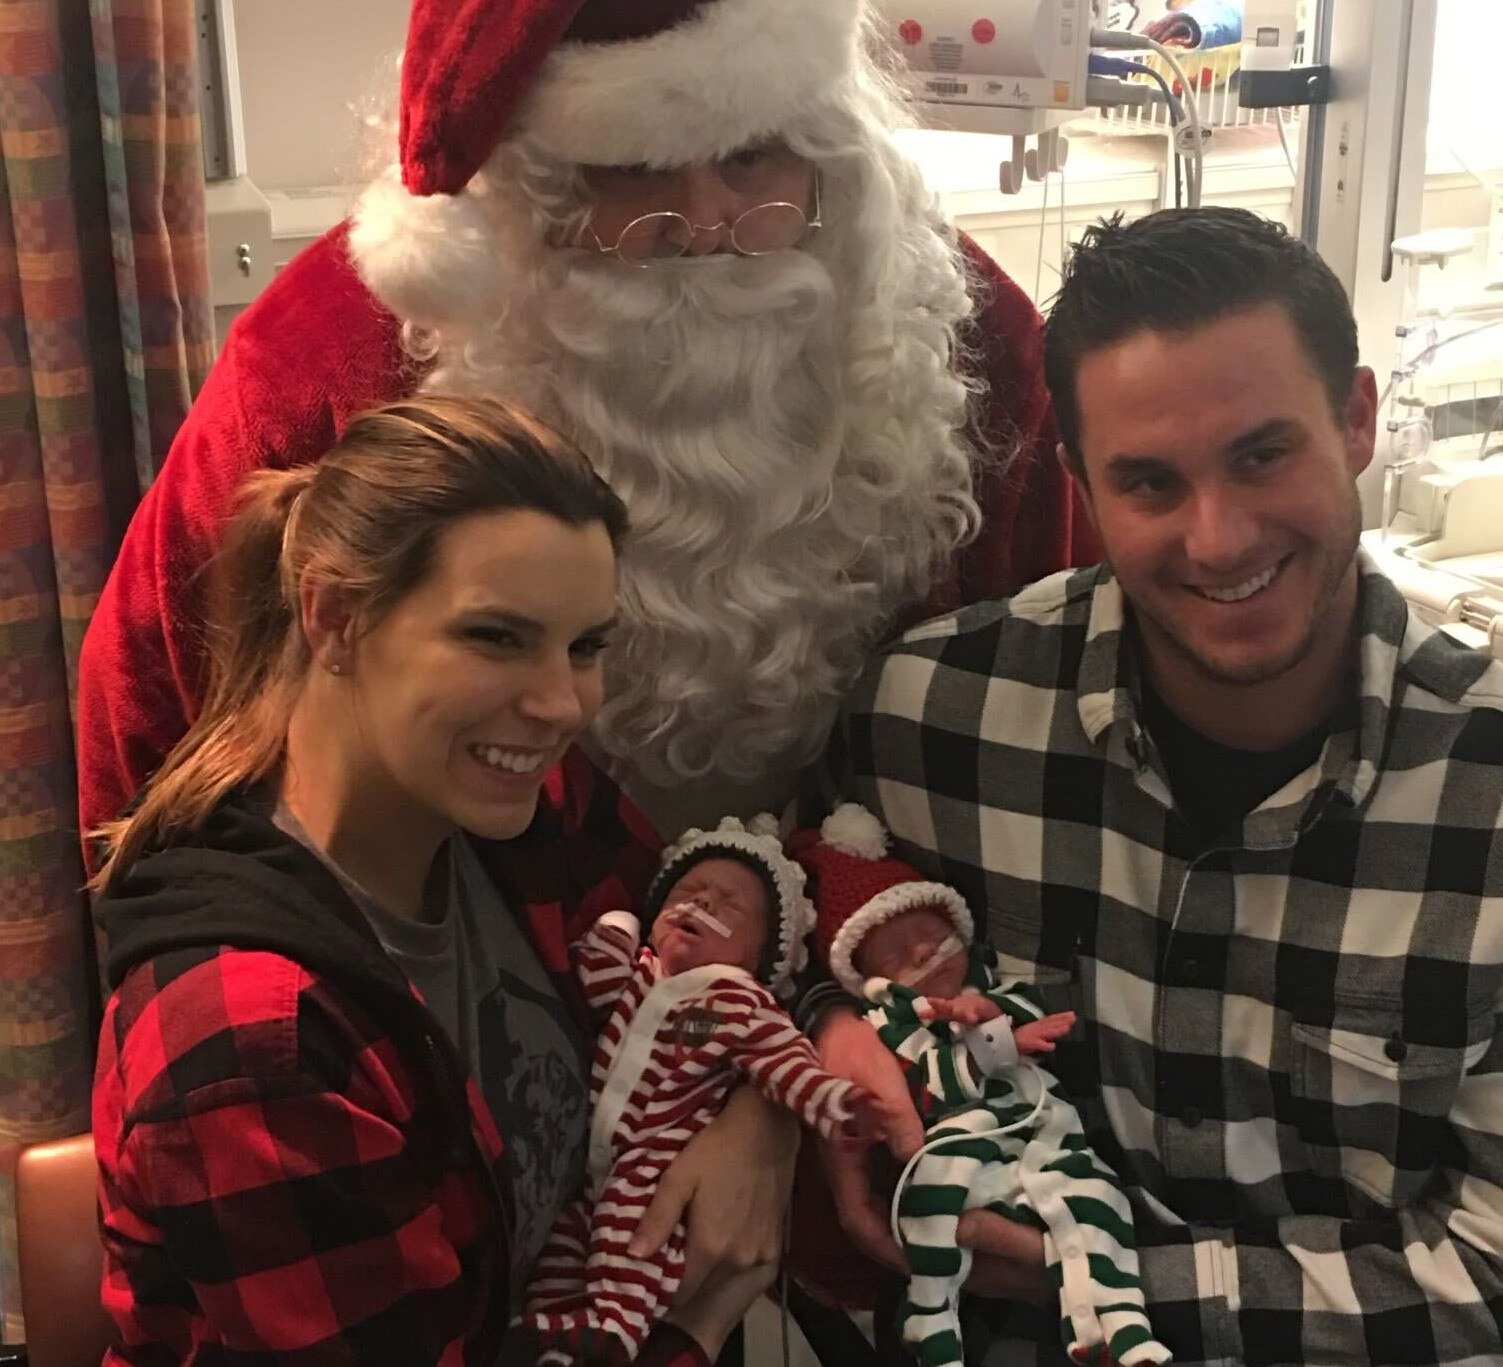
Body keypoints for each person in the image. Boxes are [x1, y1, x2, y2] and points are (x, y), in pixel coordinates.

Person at [75, 0, 1096, 849]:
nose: (701, 228)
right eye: (634, 172)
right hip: (469, 981)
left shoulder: (957, 334)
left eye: (752, 160)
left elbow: (1063, 672)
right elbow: (160, 706)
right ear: (532, 193)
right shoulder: (330, 357)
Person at [805, 208, 1503, 1367]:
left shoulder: (1484, 786)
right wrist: (827, 1023)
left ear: (1357, 420)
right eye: (1150, 482)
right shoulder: (932, 717)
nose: (1217, 538)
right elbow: (800, 924)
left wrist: (1115, 1285)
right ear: (1079, 482)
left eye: (1260, 455)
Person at [62, 396, 780, 1367]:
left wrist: (763, 1113)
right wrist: (695, 1336)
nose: (561, 704)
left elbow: (701, 928)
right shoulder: (251, 1042)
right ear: (335, 618)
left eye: (584, 646)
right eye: (496, 637)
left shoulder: (518, 814)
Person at [790, 804, 1168, 1367]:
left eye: (932, 934)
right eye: (897, 953)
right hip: (960, 1140)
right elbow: (931, 1081)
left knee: (1099, 1202)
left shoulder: (991, 990)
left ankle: (1120, 1324)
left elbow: (1033, 1019)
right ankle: (932, 1315)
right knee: (934, 1198)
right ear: (867, 980)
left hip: (1043, 1139)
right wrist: (993, 1047)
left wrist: (996, 1020)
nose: (922, 952)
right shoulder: (893, 1028)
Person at [522, 816, 878, 1367]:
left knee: (631, 1231)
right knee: (565, 1244)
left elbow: (784, 1062)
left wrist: (833, 1103)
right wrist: (616, 932)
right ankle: (552, 1334)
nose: (698, 905)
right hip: (583, 1159)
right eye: (686, 894)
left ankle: (616, 1323)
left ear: (763, 960)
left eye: (726, 908)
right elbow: (585, 989)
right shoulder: (641, 976)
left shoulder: (737, 1000)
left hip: (657, 1158)